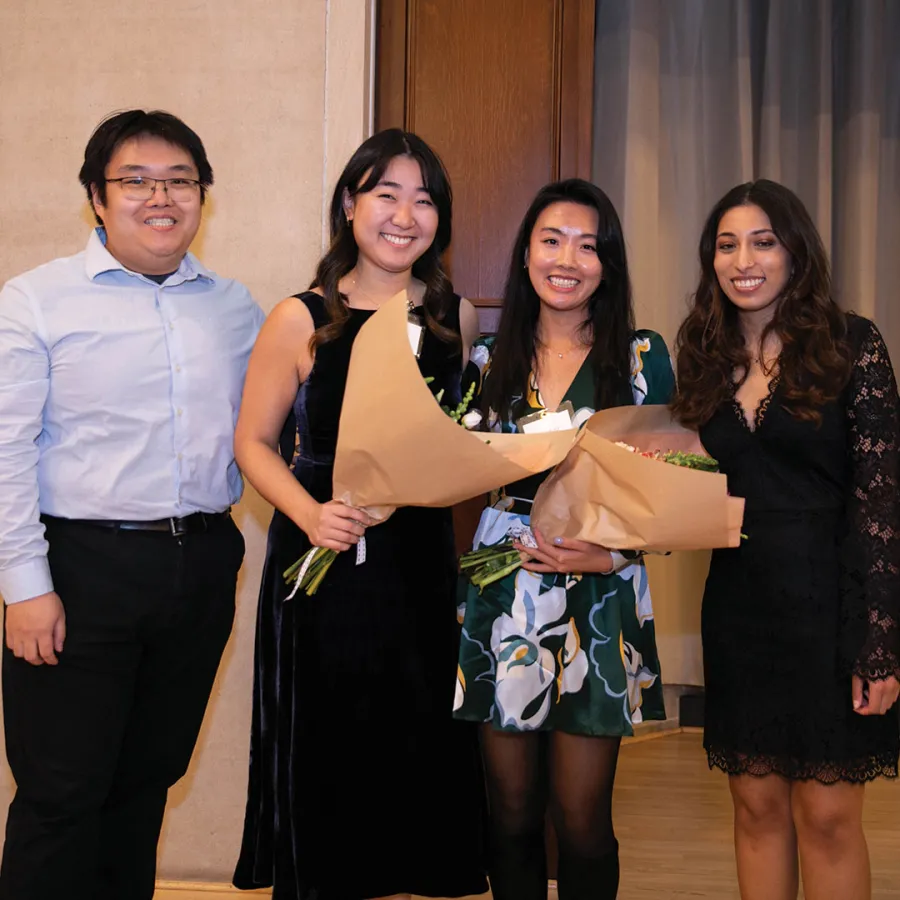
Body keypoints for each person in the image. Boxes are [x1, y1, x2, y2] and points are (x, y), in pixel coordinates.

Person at [0, 109, 263, 900]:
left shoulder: (234, 307)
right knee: (61, 794)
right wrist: (24, 586)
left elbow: (274, 428)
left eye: (180, 181)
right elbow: (7, 450)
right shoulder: (36, 300)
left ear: (202, 197)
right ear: (97, 196)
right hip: (77, 570)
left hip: (200, 564)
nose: (162, 197)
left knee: (146, 782)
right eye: (136, 181)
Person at [232, 128, 488, 899]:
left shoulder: (456, 318)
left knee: (413, 746)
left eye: (424, 199)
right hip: (323, 558)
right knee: (330, 749)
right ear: (350, 204)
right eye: (386, 194)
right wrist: (312, 516)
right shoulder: (299, 316)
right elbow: (251, 442)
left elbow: (452, 444)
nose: (405, 214)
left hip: (416, 563)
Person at [671, 179, 900, 900]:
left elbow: (882, 505)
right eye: (727, 244)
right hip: (739, 609)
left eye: (763, 241)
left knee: (828, 816)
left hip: (833, 610)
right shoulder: (701, 352)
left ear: (795, 253)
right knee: (756, 807)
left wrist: (880, 643)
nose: (744, 259)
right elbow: (689, 478)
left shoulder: (851, 344)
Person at [453, 178, 674, 900]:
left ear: (608, 264)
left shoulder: (642, 358)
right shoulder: (486, 360)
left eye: (589, 245)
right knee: (509, 814)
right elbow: (446, 467)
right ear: (525, 255)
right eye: (552, 240)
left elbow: (677, 489)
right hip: (503, 592)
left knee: (581, 821)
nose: (568, 258)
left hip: (602, 593)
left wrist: (612, 553)